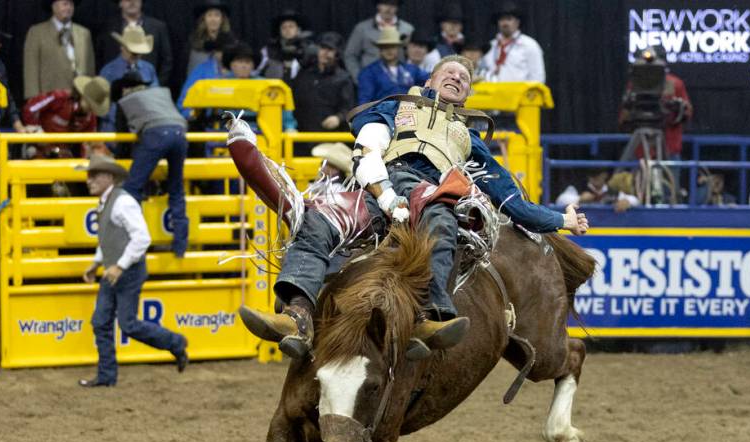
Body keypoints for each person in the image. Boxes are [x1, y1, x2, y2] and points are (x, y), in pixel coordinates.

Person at [238, 55, 589, 360]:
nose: (456, 78)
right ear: (429, 81)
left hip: (430, 191)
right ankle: (296, 315)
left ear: (467, 94)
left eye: (464, 79)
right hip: (378, 183)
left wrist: (562, 219)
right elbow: (368, 146)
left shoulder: (470, 138)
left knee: (442, 220)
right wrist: (386, 193)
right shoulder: (395, 107)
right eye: (449, 73)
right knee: (319, 218)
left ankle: (426, 319)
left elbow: (513, 201)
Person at [77, 154, 188, 387]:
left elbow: (142, 238)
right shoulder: (109, 201)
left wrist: (119, 265)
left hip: (126, 271)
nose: (89, 180)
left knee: (126, 323)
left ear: (108, 177)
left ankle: (176, 343)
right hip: (116, 270)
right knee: (102, 322)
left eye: (94, 175)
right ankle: (106, 376)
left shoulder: (122, 202)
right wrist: (98, 263)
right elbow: (111, 238)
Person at [113, 74, 189, 257]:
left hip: (155, 134)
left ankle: (134, 241)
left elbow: (122, 141)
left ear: (122, 91)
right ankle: (180, 244)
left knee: (132, 188)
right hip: (180, 133)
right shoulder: (160, 94)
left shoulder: (126, 101)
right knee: (176, 188)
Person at [22, 75, 110, 158]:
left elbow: (88, 142)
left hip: (63, 155)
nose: (91, 109)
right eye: (90, 103)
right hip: (38, 149)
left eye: (94, 106)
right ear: (82, 96)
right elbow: (30, 109)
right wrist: (37, 130)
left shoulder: (90, 118)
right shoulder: (58, 97)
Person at [24, 0, 95, 99]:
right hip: (50, 101)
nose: (68, 8)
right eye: (65, 4)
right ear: (53, 6)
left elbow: (90, 70)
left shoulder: (84, 33)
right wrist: (33, 101)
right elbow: (31, 70)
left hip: (79, 102)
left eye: (71, 4)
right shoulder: (37, 33)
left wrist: (90, 98)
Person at [290, 32, 354, 134]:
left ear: (337, 54)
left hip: (329, 136)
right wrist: (290, 125)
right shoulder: (304, 74)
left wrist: (338, 118)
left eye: (330, 50)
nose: (325, 52)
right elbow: (293, 101)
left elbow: (349, 108)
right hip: (301, 134)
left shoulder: (343, 78)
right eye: (323, 48)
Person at [99, 24, 159, 132]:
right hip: (114, 130)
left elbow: (155, 99)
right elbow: (101, 105)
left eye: (139, 51)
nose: (136, 54)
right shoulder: (108, 71)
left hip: (143, 130)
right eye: (133, 51)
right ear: (122, 47)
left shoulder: (149, 69)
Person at [97, 0, 172, 84]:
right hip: (115, 85)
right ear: (120, 3)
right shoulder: (108, 27)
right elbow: (100, 57)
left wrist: (154, 87)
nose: (132, 2)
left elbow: (166, 60)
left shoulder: (158, 27)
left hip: (148, 87)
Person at [344, 0, 415, 80]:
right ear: (378, 5)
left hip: (399, 83)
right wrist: (360, 78)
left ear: (397, 7)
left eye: (393, 4)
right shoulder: (362, 28)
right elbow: (350, 56)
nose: (388, 8)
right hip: (370, 80)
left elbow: (414, 57)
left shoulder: (407, 29)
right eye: (384, 3)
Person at [356, 27, 428, 105]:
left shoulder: (412, 69)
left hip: (409, 114)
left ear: (398, 48)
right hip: (381, 115)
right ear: (380, 49)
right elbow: (364, 103)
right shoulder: (368, 73)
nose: (389, 50)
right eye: (385, 47)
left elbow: (431, 79)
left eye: (393, 46)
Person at [481, 2, 545, 83]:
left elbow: (538, 77)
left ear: (517, 22)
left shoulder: (530, 45)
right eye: (501, 19)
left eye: (509, 19)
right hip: (494, 93)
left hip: (519, 94)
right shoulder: (490, 46)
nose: (505, 23)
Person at [256, 9, 316, 83]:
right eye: (284, 27)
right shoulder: (268, 51)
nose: (287, 30)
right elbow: (256, 75)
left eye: (291, 26)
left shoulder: (308, 50)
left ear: (298, 29)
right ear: (279, 31)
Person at [185, 0, 234, 77]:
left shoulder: (231, 43)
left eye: (217, 15)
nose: (213, 19)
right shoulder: (193, 42)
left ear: (222, 19)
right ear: (204, 19)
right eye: (209, 15)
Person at [422, 5, 465, 71]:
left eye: (456, 23)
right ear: (442, 25)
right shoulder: (433, 43)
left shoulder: (467, 43)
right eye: (449, 23)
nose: (453, 26)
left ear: (461, 26)